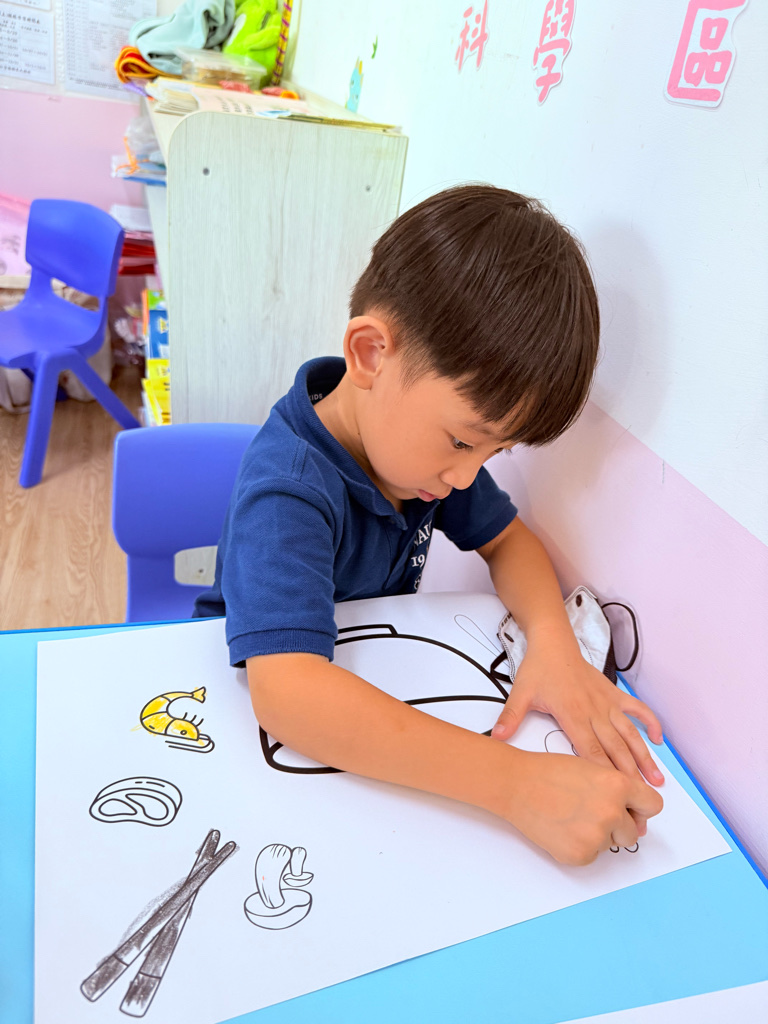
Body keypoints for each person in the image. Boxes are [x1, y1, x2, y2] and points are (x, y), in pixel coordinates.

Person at [194, 184, 664, 866]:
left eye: (495, 453)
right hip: (237, 710)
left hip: (368, 681)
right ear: (370, 354)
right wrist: (517, 784)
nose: (468, 477)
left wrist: (553, 644)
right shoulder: (288, 488)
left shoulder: (423, 462)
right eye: (464, 441)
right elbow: (287, 692)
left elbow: (509, 541)